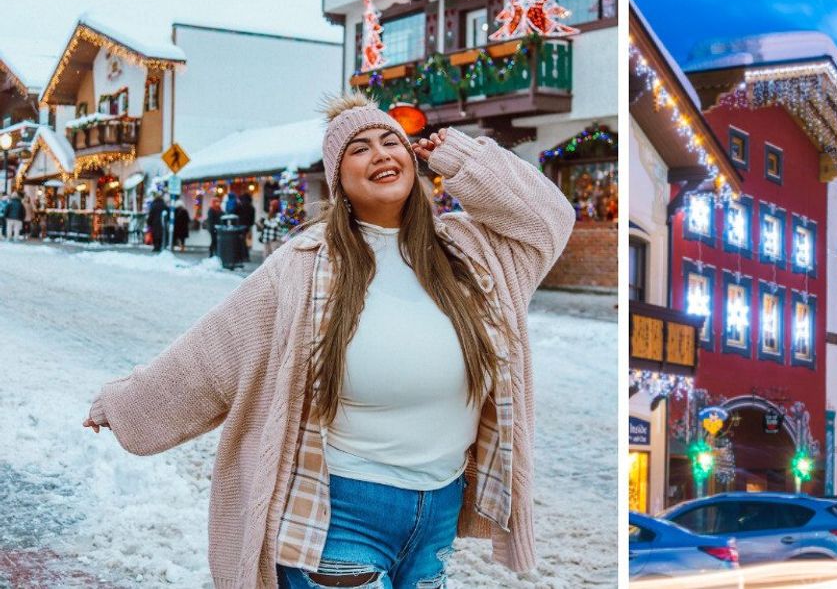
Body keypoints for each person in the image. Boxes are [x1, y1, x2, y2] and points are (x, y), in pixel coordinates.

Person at [83, 92, 575, 588]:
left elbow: (548, 219)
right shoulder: (305, 263)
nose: (381, 154)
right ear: (338, 178)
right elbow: (213, 352)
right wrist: (126, 404)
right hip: (338, 510)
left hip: (438, 507)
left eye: (391, 141)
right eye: (359, 148)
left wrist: (465, 159)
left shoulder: (472, 252)